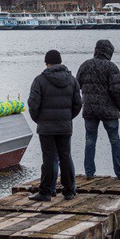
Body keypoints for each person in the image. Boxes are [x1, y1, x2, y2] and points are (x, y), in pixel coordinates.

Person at [27, 50, 82, 202]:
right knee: (65, 156)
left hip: (46, 127)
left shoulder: (39, 80)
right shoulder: (71, 80)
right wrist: (67, 117)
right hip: (65, 126)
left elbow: (33, 104)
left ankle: (45, 192)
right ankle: (69, 190)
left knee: (49, 158)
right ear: (60, 62)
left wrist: (39, 119)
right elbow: (78, 103)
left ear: (47, 63)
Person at [76, 39, 120, 179]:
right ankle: (119, 172)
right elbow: (116, 90)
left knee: (90, 140)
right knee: (115, 139)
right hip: (109, 111)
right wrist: (119, 105)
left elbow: (76, 86)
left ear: (96, 50)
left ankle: (89, 172)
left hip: (90, 110)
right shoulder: (112, 67)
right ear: (109, 52)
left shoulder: (85, 65)